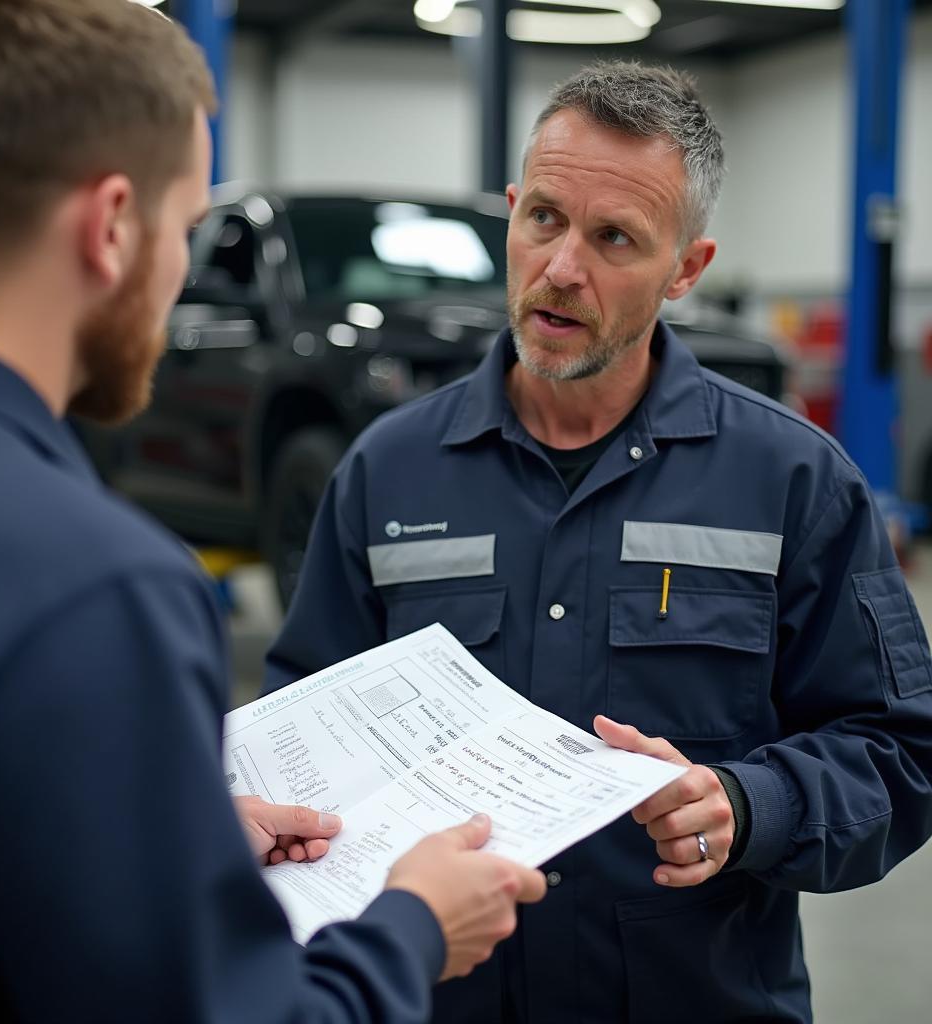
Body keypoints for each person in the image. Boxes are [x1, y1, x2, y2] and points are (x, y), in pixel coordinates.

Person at [0, 2, 547, 1022]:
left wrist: (158, 835)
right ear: (112, 225)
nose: (179, 281)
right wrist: (412, 925)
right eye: (184, 230)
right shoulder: (93, 590)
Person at [265, 60, 932, 1023]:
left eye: (615, 237)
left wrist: (746, 806)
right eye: (543, 218)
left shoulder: (792, 481)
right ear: (510, 212)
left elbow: (899, 752)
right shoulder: (386, 473)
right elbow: (303, 735)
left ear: (687, 270)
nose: (562, 267)